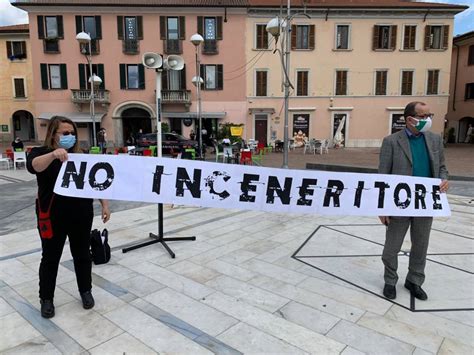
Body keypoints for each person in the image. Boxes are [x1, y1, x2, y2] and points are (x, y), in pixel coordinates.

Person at [26, 116, 111, 318]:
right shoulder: (42, 153)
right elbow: (34, 166)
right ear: (53, 135)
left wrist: (104, 204)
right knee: (50, 257)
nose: (70, 137)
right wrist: (54, 155)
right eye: (65, 133)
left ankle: (85, 291)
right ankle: (46, 298)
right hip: (52, 216)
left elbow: (95, 181)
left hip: (81, 214)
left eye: (72, 133)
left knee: (82, 254)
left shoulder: (82, 155)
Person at [378, 101, 449, 301]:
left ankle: (414, 281)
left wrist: (444, 179)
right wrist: (382, 208)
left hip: (425, 202)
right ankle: (390, 280)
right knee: (391, 248)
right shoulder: (391, 141)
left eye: (429, 115)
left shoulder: (435, 140)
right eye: (423, 116)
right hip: (398, 204)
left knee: (420, 245)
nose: (428, 120)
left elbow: (442, 166)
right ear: (410, 119)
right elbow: (382, 177)